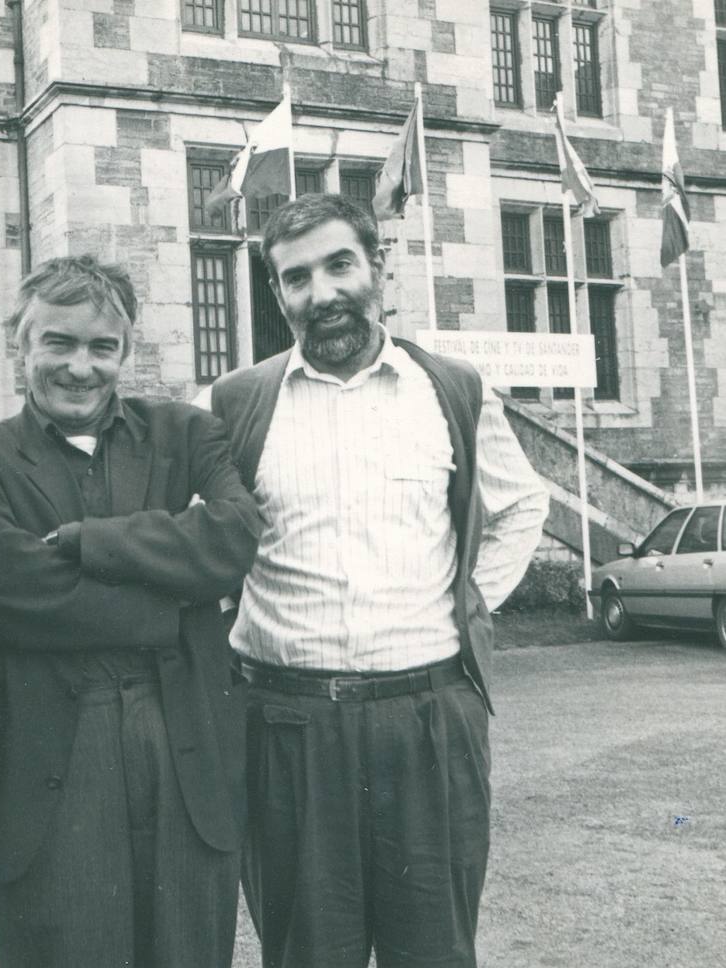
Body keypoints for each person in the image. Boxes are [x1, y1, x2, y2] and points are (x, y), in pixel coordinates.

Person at [204, 194, 549, 968]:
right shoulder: (234, 404)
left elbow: (523, 504)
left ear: (377, 271)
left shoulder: (452, 389)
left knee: (432, 952)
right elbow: (199, 541)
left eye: (339, 265)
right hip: (286, 726)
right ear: (278, 295)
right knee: (306, 954)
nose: (321, 293)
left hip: (428, 721)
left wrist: (469, 602)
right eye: (297, 278)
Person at [0, 255, 259, 968]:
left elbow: (235, 537)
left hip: (184, 748)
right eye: (58, 342)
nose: (80, 367)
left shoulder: (186, 434)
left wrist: (94, 543)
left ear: (126, 352)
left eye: (101, 347)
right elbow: (11, 592)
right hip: (50, 761)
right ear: (20, 345)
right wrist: (178, 594)